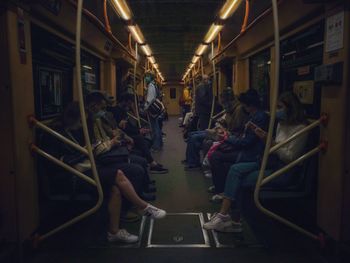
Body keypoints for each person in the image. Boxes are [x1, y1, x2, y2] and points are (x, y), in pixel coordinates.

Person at [56, 102, 166, 243]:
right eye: (80, 120)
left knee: (115, 189)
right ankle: (142, 206)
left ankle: (113, 232)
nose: (81, 123)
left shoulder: (78, 130)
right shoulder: (58, 135)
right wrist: (89, 150)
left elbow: (91, 147)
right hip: (75, 175)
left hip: (90, 166)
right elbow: (66, 160)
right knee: (119, 174)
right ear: (73, 118)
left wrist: (92, 149)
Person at [203, 91, 308, 233]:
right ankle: (227, 217)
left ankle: (232, 220)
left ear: (290, 108)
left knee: (238, 177)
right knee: (235, 170)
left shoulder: (301, 129)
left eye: (280, 107)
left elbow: (290, 157)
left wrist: (270, 142)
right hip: (270, 162)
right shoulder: (281, 124)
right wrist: (265, 138)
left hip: (284, 170)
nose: (276, 111)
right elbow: (274, 145)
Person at [85, 92, 157, 201]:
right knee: (137, 166)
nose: (103, 111)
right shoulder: (89, 125)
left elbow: (114, 132)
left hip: (110, 151)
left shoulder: (100, 119)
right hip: (102, 158)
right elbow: (97, 146)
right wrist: (113, 142)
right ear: (93, 106)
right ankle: (138, 197)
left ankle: (143, 188)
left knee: (140, 156)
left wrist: (124, 138)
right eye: (102, 108)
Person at [208, 89, 269, 202]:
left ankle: (222, 190)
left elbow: (246, 142)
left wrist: (227, 138)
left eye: (245, 105)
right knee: (217, 152)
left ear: (250, 105)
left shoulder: (259, 117)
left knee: (216, 156)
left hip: (251, 154)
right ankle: (221, 187)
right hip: (246, 148)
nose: (243, 107)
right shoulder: (253, 115)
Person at [107, 92, 168, 174]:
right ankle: (152, 163)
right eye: (131, 102)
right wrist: (138, 131)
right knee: (140, 138)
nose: (132, 104)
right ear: (126, 101)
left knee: (146, 140)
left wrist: (139, 129)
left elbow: (129, 126)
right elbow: (123, 129)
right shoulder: (117, 111)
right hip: (122, 135)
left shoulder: (124, 110)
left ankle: (149, 163)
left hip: (126, 133)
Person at [144, 72, 163, 151]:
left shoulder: (151, 86)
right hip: (155, 109)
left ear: (150, 77)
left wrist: (145, 107)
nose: (145, 78)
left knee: (154, 128)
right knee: (156, 127)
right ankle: (159, 144)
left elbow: (150, 99)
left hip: (152, 109)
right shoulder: (154, 84)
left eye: (147, 76)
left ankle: (156, 146)